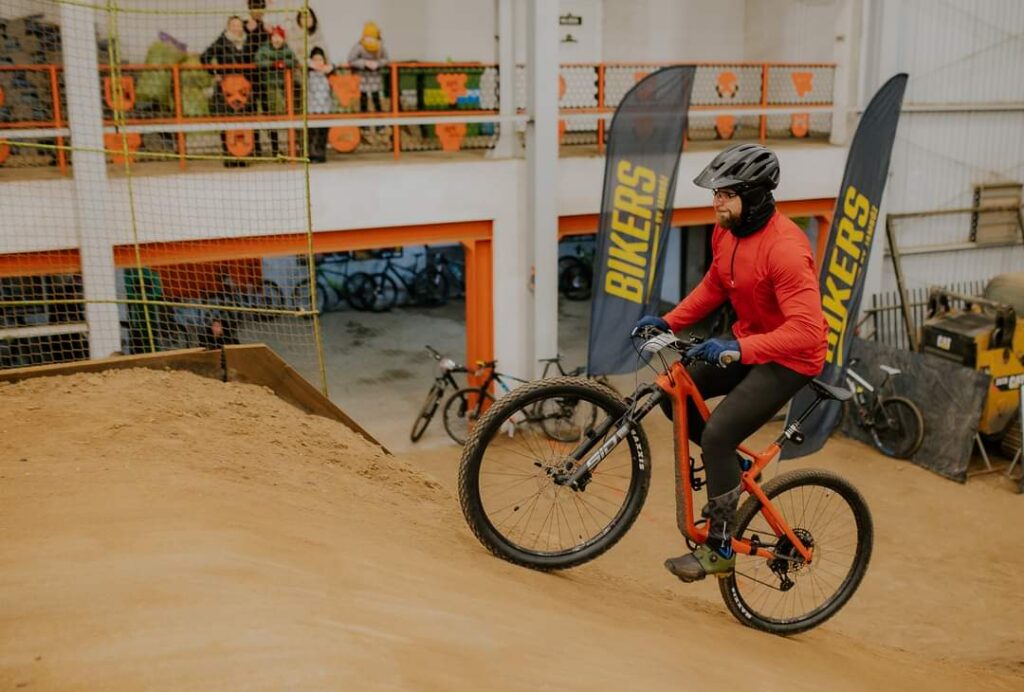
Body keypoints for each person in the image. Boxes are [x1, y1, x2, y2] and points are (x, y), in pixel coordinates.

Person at [632, 143, 828, 583]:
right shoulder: (726, 233)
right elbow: (715, 285)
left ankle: (720, 548)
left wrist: (738, 349)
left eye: (725, 194)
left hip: (792, 359)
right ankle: (731, 475)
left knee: (718, 435)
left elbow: (807, 331)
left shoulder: (786, 250)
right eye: (715, 192)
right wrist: (669, 320)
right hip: (750, 342)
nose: (716, 201)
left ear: (753, 196)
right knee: (675, 395)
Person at [201, 15, 259, 166]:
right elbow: (205, 57)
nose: (236, 28)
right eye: (233, 25)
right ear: (228, 27)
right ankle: (229, 155)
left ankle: (244, 155)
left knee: (245, 121)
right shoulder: (221, 41)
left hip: (245, 88)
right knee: (227, 121)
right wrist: (215, 73)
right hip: (227, 88)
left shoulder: (250, 40)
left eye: (239, 25)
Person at [255, 26, 297, 157]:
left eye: (279, 37)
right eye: (274, 36)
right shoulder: (264, 49)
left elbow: (293, 61)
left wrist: (283, 63)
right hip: (268, 88)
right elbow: (258, 61)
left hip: (285, 87)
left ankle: (291, 147)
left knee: (287, 115)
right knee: (272, 117)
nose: (277, 40)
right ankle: (275, 148)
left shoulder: (287, 50)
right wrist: (273, 64)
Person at [347, 21, 389, 130]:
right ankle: (364, 125)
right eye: (367, 37)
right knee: (363, 101)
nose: (369, 40)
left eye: (372, 37)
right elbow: (351, 60)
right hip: (363, 80)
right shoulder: (359, 47)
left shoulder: (380, 47)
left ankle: (380, 125)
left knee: (376, 100)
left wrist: (378, 64)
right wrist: (364, 63)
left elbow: (386, 59)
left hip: (375, 80)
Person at [306, 46, 334, 163]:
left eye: (320, 59)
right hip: (312, 109)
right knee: (312, 133)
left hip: (325, 109)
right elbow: (303, 62)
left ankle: (321, 153)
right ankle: (312, 154)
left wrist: (329, 68)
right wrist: (312, 65)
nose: (318, 62)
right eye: (315, 59)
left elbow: (334, 67)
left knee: (323, 133)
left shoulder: (327, 74)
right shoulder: (308, 73)